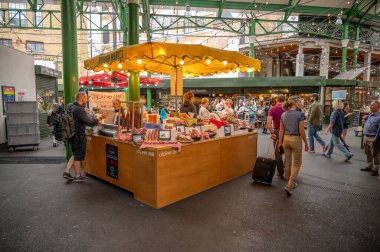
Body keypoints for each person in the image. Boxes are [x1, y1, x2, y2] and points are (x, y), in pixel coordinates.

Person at [63, 93, 106, 181]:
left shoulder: (71, 106)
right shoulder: (79, 110)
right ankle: (78, 176)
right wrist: (100, 118)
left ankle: (66, 172)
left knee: (75, 153)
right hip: (78, 136)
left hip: (71, 134)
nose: (87, 100)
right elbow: (89, 122)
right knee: (78, 156)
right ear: (82, 99)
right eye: (86, 99)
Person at [278, 96, 309, 196]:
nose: (300, 103)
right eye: (299, 101)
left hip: (286, 139)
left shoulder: (283, 114)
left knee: (288, 162)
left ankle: (289, 182)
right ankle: (290, 184)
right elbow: (301, 131)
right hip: (295, 139)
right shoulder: (300, 114)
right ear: (295, 103)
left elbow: (281, 130)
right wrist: (306, 143)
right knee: (297, 163)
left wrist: (280, 142)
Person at [266, 95, 286, 180]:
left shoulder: (272, 109)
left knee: (278, 153)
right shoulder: (287, 108)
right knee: (288, 152)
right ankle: (287, 169)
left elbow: (268, 123)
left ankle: (280, 172)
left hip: (277, 131)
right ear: (284, 100)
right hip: (288, 132)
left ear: (276, 100)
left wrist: (272, 133)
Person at [360, 101, 380, 177]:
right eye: (370, 105)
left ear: (378, 107)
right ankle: (370, 166)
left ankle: (375, 169)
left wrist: (377, 139)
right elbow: (365, 124)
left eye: (372, 106)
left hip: (373, 137)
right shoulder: (370, 115)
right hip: (366, 137)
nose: (370, 107)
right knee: (367, 153)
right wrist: (364, 119)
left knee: (375, 154)